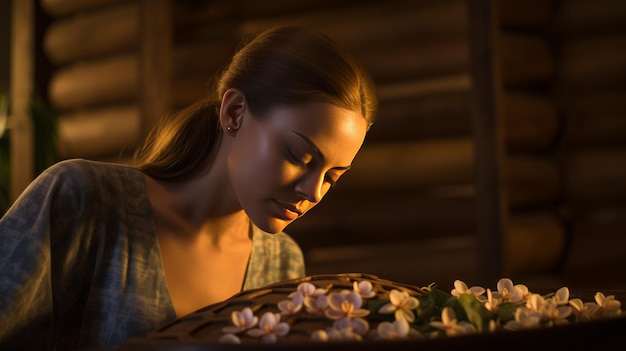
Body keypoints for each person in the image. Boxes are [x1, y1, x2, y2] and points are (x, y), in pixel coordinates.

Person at [0, 25, 377, 350]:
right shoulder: (83, 200)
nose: (313, 193)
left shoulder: (283, 264)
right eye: (299, 156)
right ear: (235, 113)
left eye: (332, 177)